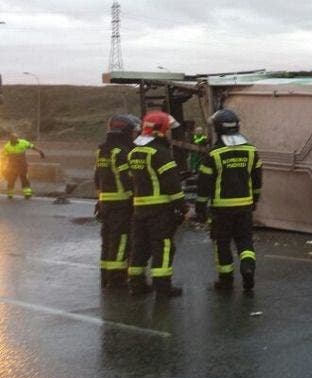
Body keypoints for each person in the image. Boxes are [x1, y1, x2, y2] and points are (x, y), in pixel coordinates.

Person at [195, 109, 262, 292]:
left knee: (222, 242)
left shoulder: (214, 154)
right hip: (245, 205)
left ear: (217, 128)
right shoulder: (251, 151)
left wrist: (200, 207)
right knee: (245, 241)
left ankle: (225, 281)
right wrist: (254, 199)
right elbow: (257, 180)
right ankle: (248, 268)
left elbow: (204, 184)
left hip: (221, 208)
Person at [127, 111, 187, 297]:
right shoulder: (160, 153)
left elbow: (131, 180)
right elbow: (172, 184)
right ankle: (162, 287)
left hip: (139, 209)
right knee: (163, 246)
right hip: (160, 209)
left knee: (139, 246)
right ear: (162, 130)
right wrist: (182, 207)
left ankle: (136, 284)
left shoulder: (135, 152)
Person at [94, 114, 139, 289]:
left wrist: (99, 198)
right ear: (126, 131)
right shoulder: (121, 152)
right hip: (121, 204)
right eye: (133, 132)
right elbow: (126, 179)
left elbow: (97, 177)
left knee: (107, 240)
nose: (135, 135)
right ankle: (117, 278)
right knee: (121, 240)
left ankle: (106, 275)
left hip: (106, 201)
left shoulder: (103, 150)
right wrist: (133, 199)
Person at [3, 132, 45, 199]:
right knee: (11, 180)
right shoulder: (7, 146)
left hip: (21, 165)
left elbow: (32, 146)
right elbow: (4, 156)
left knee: (24, 179)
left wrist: (40, 151)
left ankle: (27, 194)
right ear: (10, 140)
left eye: (15, 139)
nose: (14, 140)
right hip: (12, 166)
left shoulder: (23, 142)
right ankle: (10, 194)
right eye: (13, 139)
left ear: (17, 139)